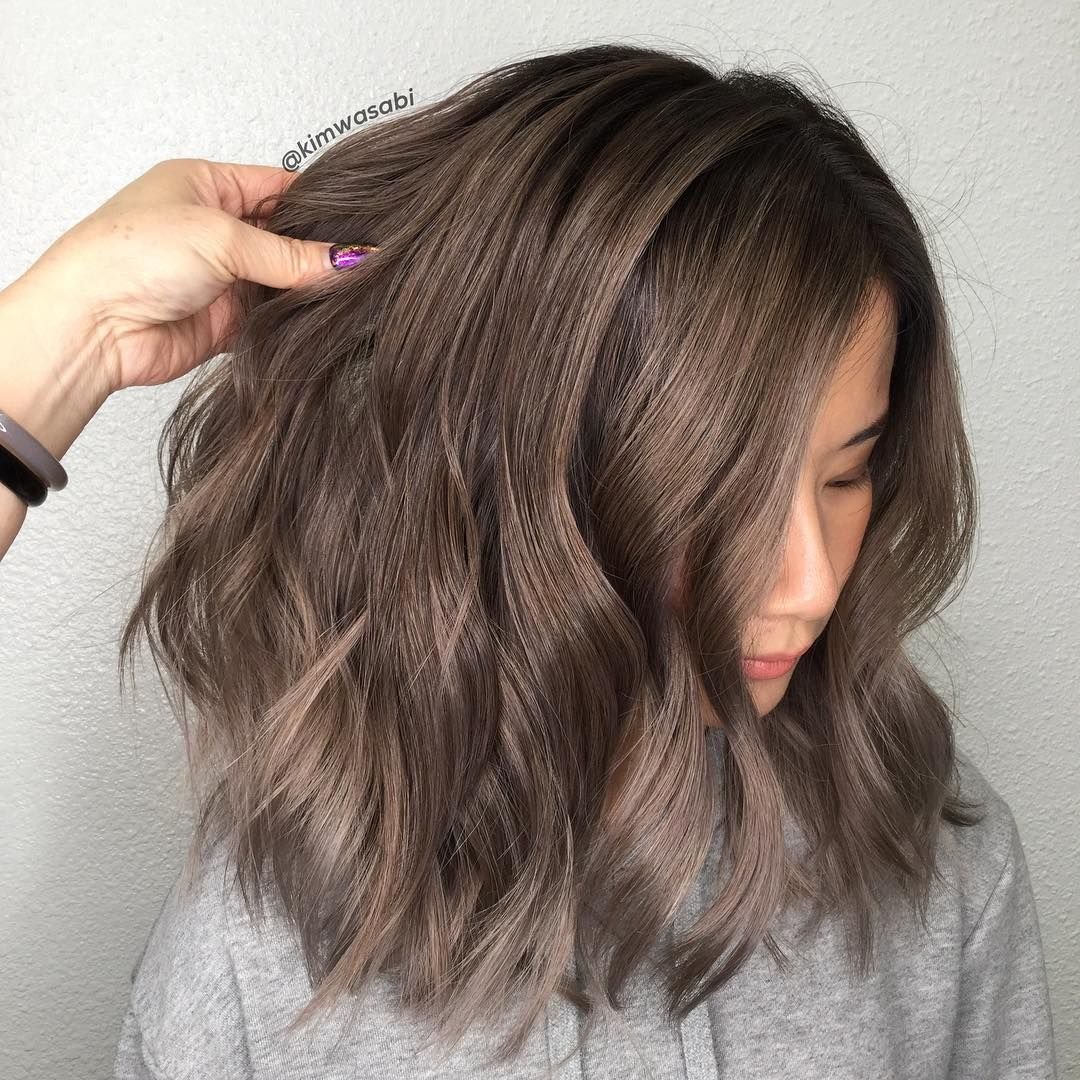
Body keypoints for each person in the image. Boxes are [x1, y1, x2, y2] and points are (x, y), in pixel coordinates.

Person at [0, 44, 1058, 1080]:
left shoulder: (931, 863)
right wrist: (64, 340)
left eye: (846, 476)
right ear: (517, 485)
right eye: (718, 503)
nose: (813, 585)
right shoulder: (265, 950)